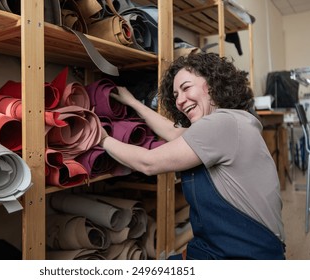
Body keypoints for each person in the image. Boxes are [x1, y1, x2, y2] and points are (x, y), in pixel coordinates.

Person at [99, 52, 286, 260]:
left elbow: (148, 163)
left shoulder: (221, 124)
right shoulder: (231, 122)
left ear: (213, 84)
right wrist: (133, 103)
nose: (179, 100)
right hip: (226, 248)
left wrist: (102, 139)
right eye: (176, 94)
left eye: (186, 88)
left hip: (247, 254)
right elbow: (172, 132)